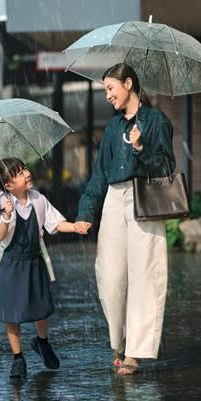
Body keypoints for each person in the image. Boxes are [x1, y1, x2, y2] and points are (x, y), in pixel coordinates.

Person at [74, 63, 176, 376]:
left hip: (144, 197)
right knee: (109, 277)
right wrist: (86, 212)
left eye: (110, 88)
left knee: (145, 276)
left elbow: (166, 167)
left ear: (128, 83)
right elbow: (99, 174)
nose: (107, 95)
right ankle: (118, 339)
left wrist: (142, 147)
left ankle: (134, 352)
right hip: (114, 199)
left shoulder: (156, 120)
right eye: (105, 89)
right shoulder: (112, 128)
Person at [0, 157, 87, 379]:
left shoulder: (38, 199)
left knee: (40, 307)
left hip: (34, 262)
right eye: (20, 173)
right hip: (10, 265)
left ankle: (42, 341)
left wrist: (74, 226)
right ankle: (18, 358)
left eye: (25, 169)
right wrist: (7, 215)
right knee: (11, 313)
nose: (27, 173)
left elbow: (55, 223)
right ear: (9, 185)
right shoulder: (2, 203)